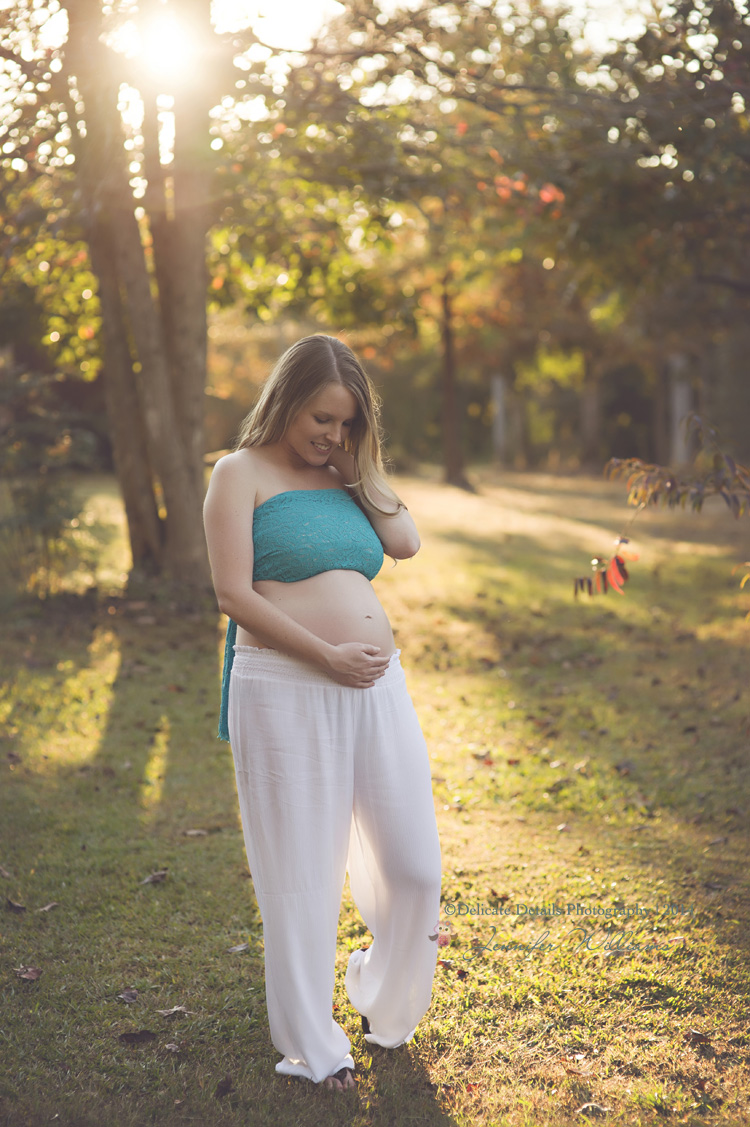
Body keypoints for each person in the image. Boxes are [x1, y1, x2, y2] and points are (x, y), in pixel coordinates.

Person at [202, 334, 442, 1091]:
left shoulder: (346, 474)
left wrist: (359, 463)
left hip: (377, 689)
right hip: (283, 686)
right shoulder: (237, 474)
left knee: (415, 868)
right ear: (286, 401)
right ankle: (314, 1045)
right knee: (301, 878)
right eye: (321, 419)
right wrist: (326, 655)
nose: (331, 434)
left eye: (347, 423)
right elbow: (234, 594)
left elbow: (404, 542)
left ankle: (381, 995)